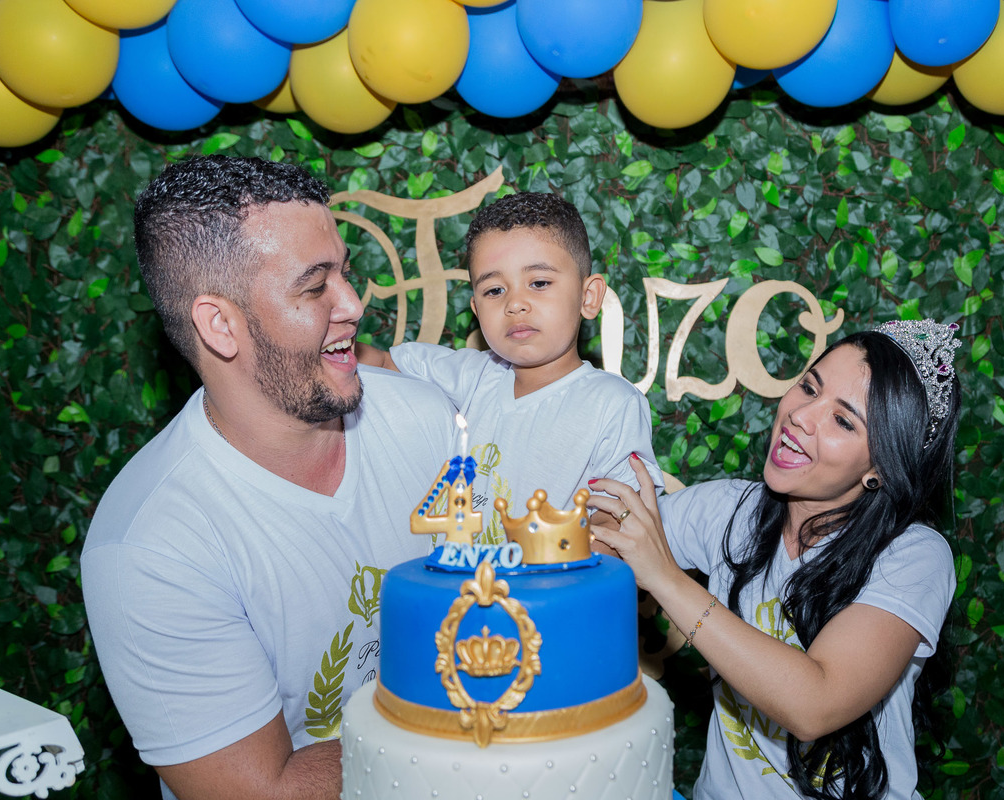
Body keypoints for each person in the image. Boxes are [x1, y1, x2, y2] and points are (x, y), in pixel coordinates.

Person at [81, 156, 458, 800]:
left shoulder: (427, 421)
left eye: (345, 272)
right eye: (314, 287)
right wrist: (470, 699)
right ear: (220, 325)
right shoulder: (149, 547)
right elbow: (265, 792)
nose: (352, 303)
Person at [589, 319, 963, 800]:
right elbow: (600, 543)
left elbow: (815, 704)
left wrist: (664, 577)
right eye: (809, 387)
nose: (801, 416)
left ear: (881, 468)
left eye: (843, 421)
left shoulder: (914, 556)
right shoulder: (731, 509)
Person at [357, 191, 662, 542]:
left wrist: (549, 562)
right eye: (494, 290)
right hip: (457, 576)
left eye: (539, 283)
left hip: (553, 578)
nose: (515, 303)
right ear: (476, 310)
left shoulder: (612, 403)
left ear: (588, 296)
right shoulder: (475, 375)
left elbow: (619, 522)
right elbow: (384, 362)